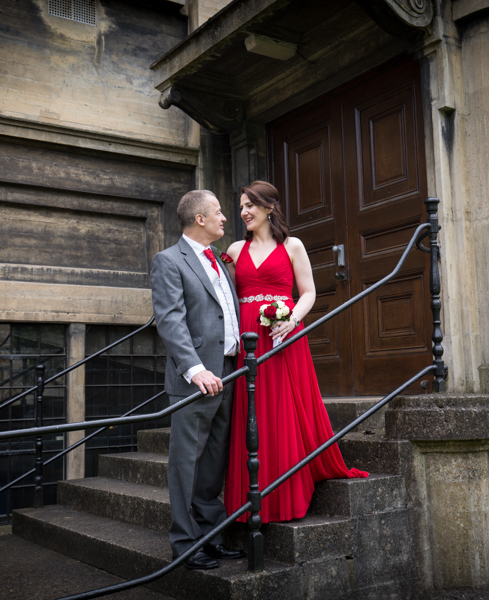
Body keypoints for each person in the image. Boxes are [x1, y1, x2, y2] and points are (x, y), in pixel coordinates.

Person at [223, 180, 368, 523]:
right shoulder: (234, 251)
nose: (243, 212)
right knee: (251, 410)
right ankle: (250, 498)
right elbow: (226, 299)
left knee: (283, 408)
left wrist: (291, 320)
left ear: (268, 207)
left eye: (249, 205)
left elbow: (308, 293)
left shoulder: (292, 246)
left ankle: (285, 495)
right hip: (248, 336)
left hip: (282, 335)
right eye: (241, 207)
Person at [150, 190, 246, 569]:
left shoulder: (218, 260)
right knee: (186, 464)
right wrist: (194, 368)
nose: (225, 218)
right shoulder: (169, 260)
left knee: (213, 464)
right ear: (200, 219)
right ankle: (185, 545)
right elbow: (170, 319)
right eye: (218, 212)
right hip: (196, 379)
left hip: (230, 371)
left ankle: (211, 537)